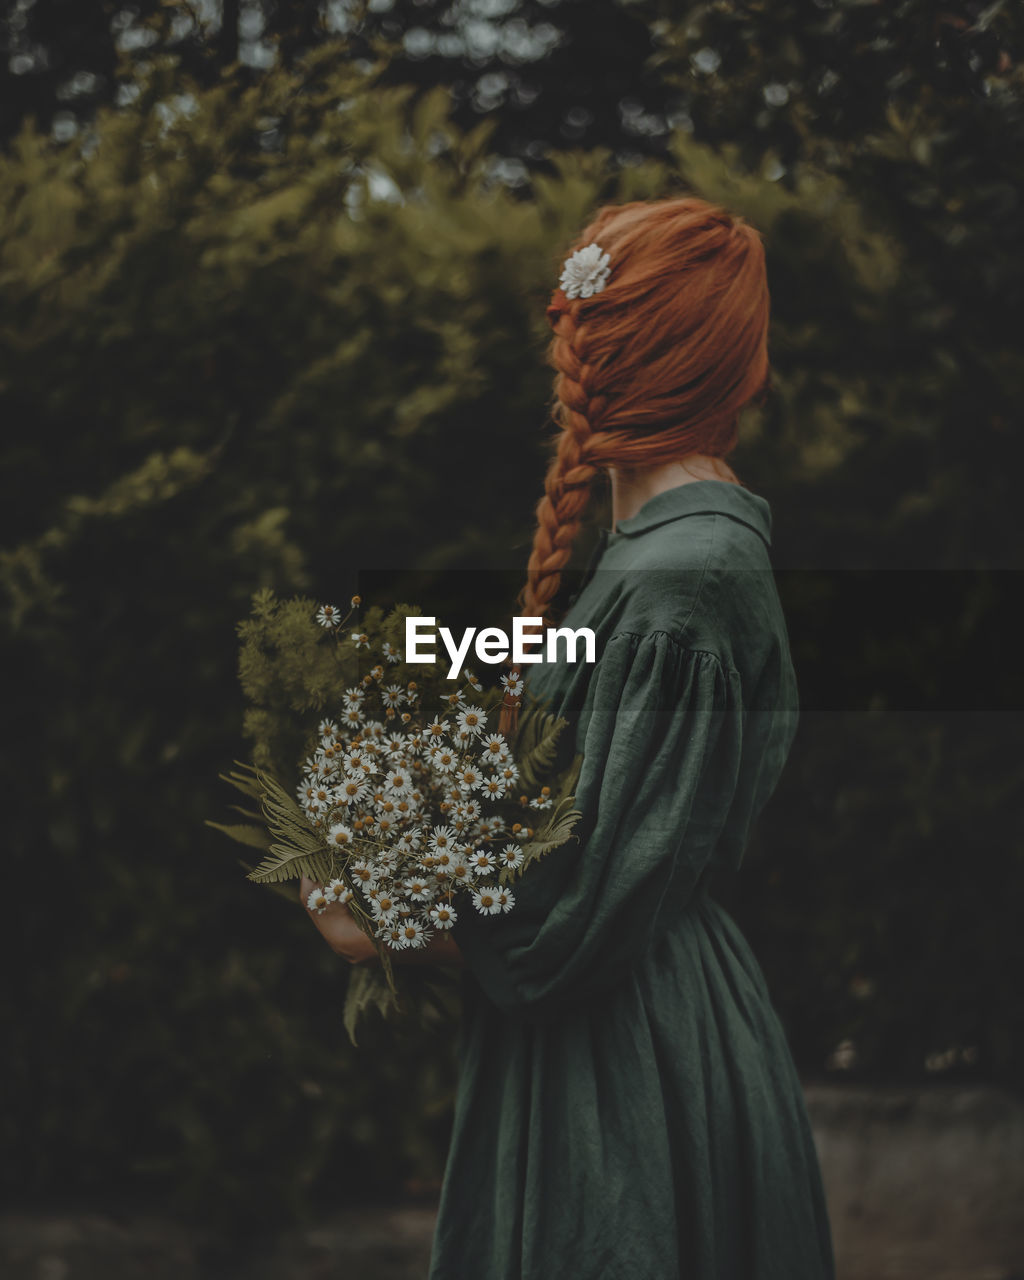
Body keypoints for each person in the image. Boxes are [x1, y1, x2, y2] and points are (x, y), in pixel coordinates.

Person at [301, 195, 836, 1279]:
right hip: (635, 1032)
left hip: (626, 1071)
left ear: (578, 357)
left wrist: (380, 911)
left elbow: (572, 919)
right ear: (741, 371)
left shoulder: (678, 578)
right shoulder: (665, 553)